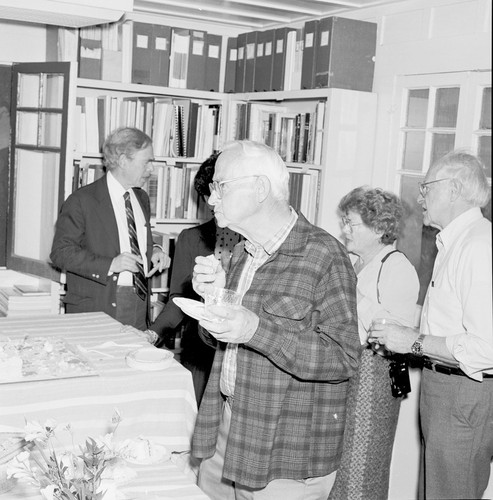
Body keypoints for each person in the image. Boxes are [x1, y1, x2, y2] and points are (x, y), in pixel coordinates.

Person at [190, 140, 361, 500]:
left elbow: (343, 359)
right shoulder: (241, 251)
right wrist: (214, 302)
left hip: (286, 449)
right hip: (227, 429)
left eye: (220, 186)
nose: (211, 199)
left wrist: (254, 329)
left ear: (260, 189)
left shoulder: (324, 255)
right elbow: (224, 345)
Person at [369, 150, 493, 500]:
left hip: (463, 395)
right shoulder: (456, 242)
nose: (420, 197)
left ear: (454, 190)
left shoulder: (477, 246)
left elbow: (487, 347)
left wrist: (414, 342)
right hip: (447, 391)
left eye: (427, 187)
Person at [328, 187, 419, 500]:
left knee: (363, 467)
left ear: (379, 228)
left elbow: (396, 336)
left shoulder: (397, 268)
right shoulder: (354, 264)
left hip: (374, 381)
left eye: (351, 224)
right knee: (339, 466)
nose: (345, 230)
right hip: (347, 374)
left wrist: (349, 292)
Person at [50, 127, 169, 331]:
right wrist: (111, 264)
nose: (152, 169)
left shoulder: (141, 198)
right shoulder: (81, 201)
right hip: (98, 307)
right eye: (147, 162)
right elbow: (60, 253)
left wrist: (155, 250)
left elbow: (138, 240)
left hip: (140, 303)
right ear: (123, 161)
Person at [149, 152, 241, 406]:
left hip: (242, 353)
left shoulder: (257, 241)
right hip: (200, 354)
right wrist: (153, 335)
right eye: (206, 198)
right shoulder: (190, 238)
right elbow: (179, 299)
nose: (211, 204)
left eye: (216, 196)